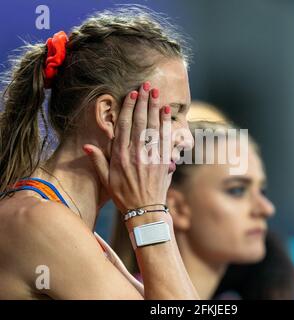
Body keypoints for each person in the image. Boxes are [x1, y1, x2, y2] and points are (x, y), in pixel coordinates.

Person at [0, 6, 198, 299]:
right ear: (108, 115)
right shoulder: (40, 222)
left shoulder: (73, 228)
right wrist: (148, 215)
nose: (187, 140)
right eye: (171, 116)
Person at [113, 101, 283, 299]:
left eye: (262, 191)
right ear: (176, 207)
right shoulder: (123, 294)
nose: (266, 208)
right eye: (237, 190)